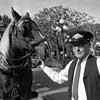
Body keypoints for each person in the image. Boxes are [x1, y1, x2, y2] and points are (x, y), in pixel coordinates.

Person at [39, 30, 100, 100]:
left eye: (81, 45)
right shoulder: (72, 64)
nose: (77, 49)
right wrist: (43, 67)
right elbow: (58, 78)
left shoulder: (97, 63)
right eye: (74, 45)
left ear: (89, 45)